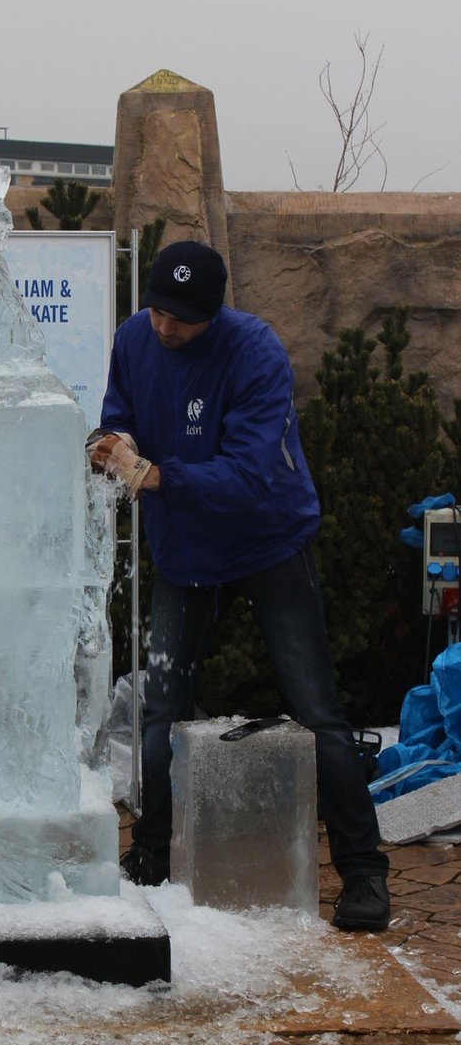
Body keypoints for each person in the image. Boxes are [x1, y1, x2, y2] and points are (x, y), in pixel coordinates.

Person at [88, 239, 390, 931]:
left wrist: (157, 475)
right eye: (158, 311)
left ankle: (364, 873)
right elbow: (118, 411)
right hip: (185, 549)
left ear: (215, 310)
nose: (166, 327)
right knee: (162, 709)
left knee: (316, 710)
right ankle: (154, 854)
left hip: (266, 539)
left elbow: (251, 473)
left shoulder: (254, 351)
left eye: (182, 318)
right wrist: (110, 444)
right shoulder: (135, 339)